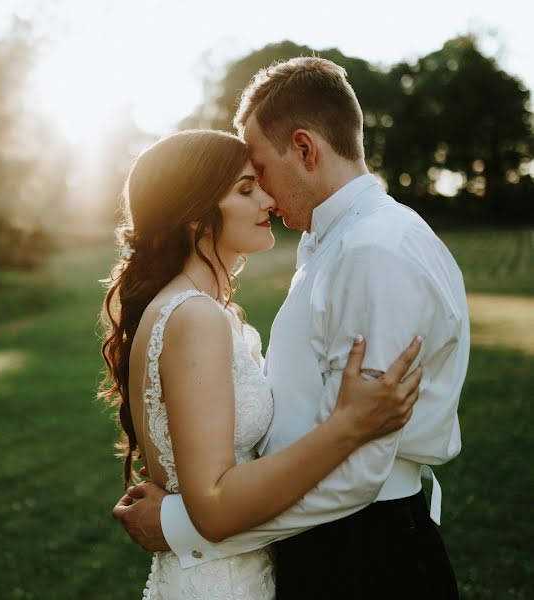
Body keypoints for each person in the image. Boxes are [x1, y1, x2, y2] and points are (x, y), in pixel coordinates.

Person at [110, 58, 468, 599]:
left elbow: (358, 472)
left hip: (366, 555)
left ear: (304, 149)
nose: (268, 199)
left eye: (258, 172)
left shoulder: (374, 252)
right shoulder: (331, 245)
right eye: (246, 187)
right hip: (314, 549)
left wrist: (184, 528)